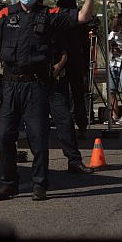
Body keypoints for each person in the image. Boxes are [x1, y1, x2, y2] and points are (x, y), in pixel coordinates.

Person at [0, 0, 96, 201]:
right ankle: (9, 184)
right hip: (10, 84)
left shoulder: (48, 15)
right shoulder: (5, 15)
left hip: (35, 85)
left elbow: (83, 17)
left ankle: (39, 184)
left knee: (37, 136)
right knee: (4, 136)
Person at [50, 42, 94, 174]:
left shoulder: (53, 27)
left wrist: (58, 66)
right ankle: (38, 170)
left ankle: (74, 160)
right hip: (31, 82)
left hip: (55, 80)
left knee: (65, 120)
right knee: (36, 127)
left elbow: (63, 51)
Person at [56, 0, 91, 137]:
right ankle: (81, 125)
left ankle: (66, 127)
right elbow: (86, 45)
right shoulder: (80, 24)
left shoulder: (60, 23)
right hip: (77, 62)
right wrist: (86, 64)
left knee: (62, 96)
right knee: (78, 96)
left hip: (62, 63)